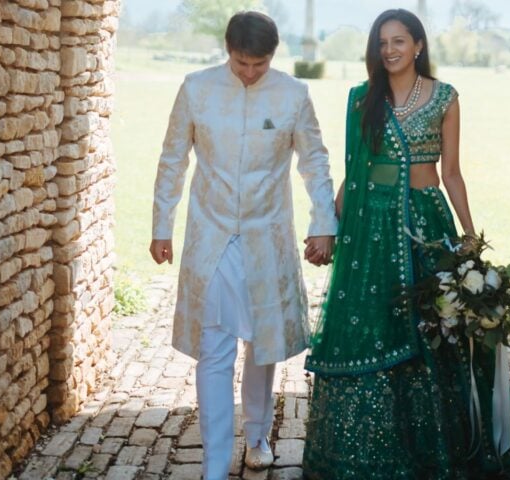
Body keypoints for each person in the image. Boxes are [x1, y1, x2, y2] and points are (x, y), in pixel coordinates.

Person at [303, 9, 510, 479]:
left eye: (399, 41)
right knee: (376, 326)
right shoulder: (362, 99)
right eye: (382, 42)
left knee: (438, 328)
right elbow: (355, 172)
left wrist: (469, 236)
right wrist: (326, 224)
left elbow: (451, 173)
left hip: (425, 224)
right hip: (371, 228)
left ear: (418, 45)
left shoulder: (444, 97)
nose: (390, 50)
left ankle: (442, 448)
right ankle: (374, 452)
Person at [149, 11, 336, 480]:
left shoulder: (294, 94)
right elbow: (173, 158)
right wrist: (161, 225)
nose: (250, 72)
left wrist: (323, 223)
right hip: (211, 238)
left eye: (260, 64)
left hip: (266, 238)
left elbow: (314, 161)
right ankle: (213, 465)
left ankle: (256, 435)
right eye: (241, 62)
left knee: (262, 343)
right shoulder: (196, 87)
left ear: (273, 56)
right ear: (227, 50)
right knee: (214, 350)